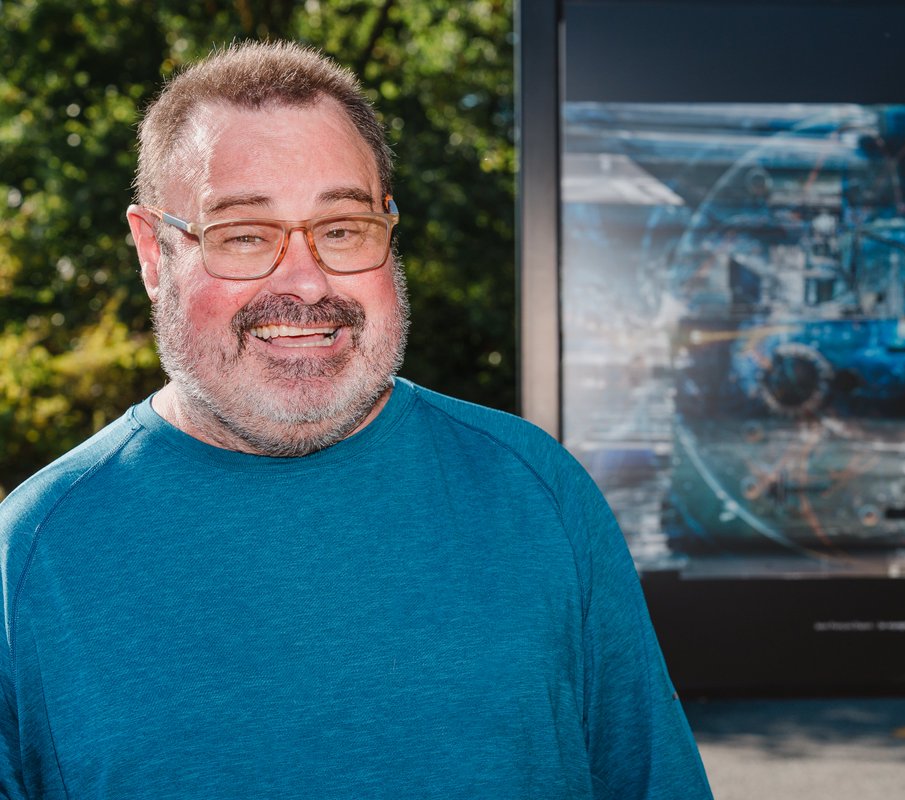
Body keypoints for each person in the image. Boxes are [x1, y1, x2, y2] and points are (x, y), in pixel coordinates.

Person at [0, 41, 712, 799]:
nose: (307, 282)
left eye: (342, 228)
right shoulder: (36, 556)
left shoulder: (538, 496)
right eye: (245, 235)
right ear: (153, 253)